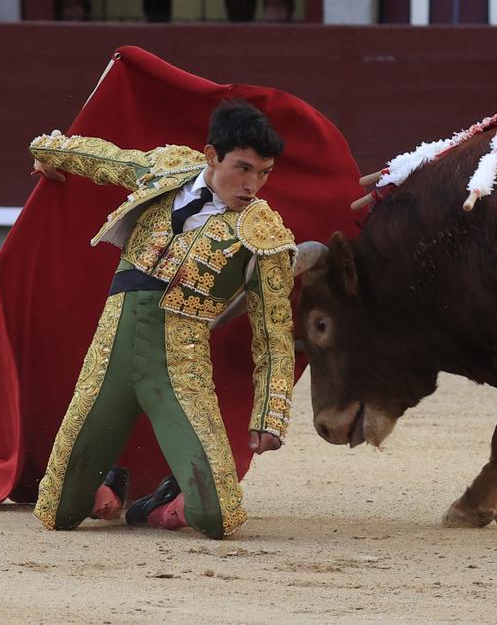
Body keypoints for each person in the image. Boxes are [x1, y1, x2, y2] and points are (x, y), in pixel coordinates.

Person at [28, 99, 297, 539]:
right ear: (211, 156)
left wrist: (271, 415)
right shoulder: (167, 169)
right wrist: (44, 153)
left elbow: (273, 336)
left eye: (264, 173)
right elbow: (103, 159)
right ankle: (108, 479)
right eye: (243, 169)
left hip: (178, 371)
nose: (253, 185)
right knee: (57, 513)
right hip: (109, 359)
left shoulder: (263, 234)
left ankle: (165, 501)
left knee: (217, 517)